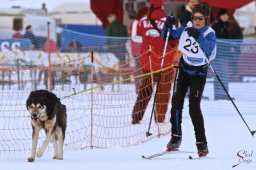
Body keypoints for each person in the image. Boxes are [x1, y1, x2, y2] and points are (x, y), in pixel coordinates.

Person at [161, 3, 216, 157]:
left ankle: (202, 143)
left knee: (194, 107)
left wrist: (197, 35)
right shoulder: (187, 27)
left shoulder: (210, 33)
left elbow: (208, 49)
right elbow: (168, 37)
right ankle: (175, 138)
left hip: (198, 73)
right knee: (176, 103)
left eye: (200, 18)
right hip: (184, 69)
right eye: (194, 18)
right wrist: (167, 25)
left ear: (206, 20)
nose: (196, 21)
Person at [131, 0, 179, 124]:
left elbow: (137, 37)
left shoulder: (142, 21)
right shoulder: (168, 21)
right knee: (163, 92)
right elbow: (174, 40)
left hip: (148, 61)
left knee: (145, 91)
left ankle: (136, 118)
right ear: (162, 5)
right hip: (165, 61)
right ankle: (160, 119)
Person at [129, 6, 149, 93]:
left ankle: (143, 88)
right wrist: (146, 39)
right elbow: (134, 37)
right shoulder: (136, 22)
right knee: (139, 69)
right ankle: (139, 89)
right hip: (137, 50)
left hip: (144, 50)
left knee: (144, 69)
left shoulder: (144, 22)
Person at [211, 8, 230, 100]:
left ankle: (224, 94)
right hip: (217, 56)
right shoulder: (216, 26)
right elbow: (214, 40)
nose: (226, 16)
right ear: (219, 16)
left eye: (227, 14)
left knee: (224, 75)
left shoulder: (225, 26)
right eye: (224, 15)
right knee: (222, 75)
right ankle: (220, 95)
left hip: (223, 55)